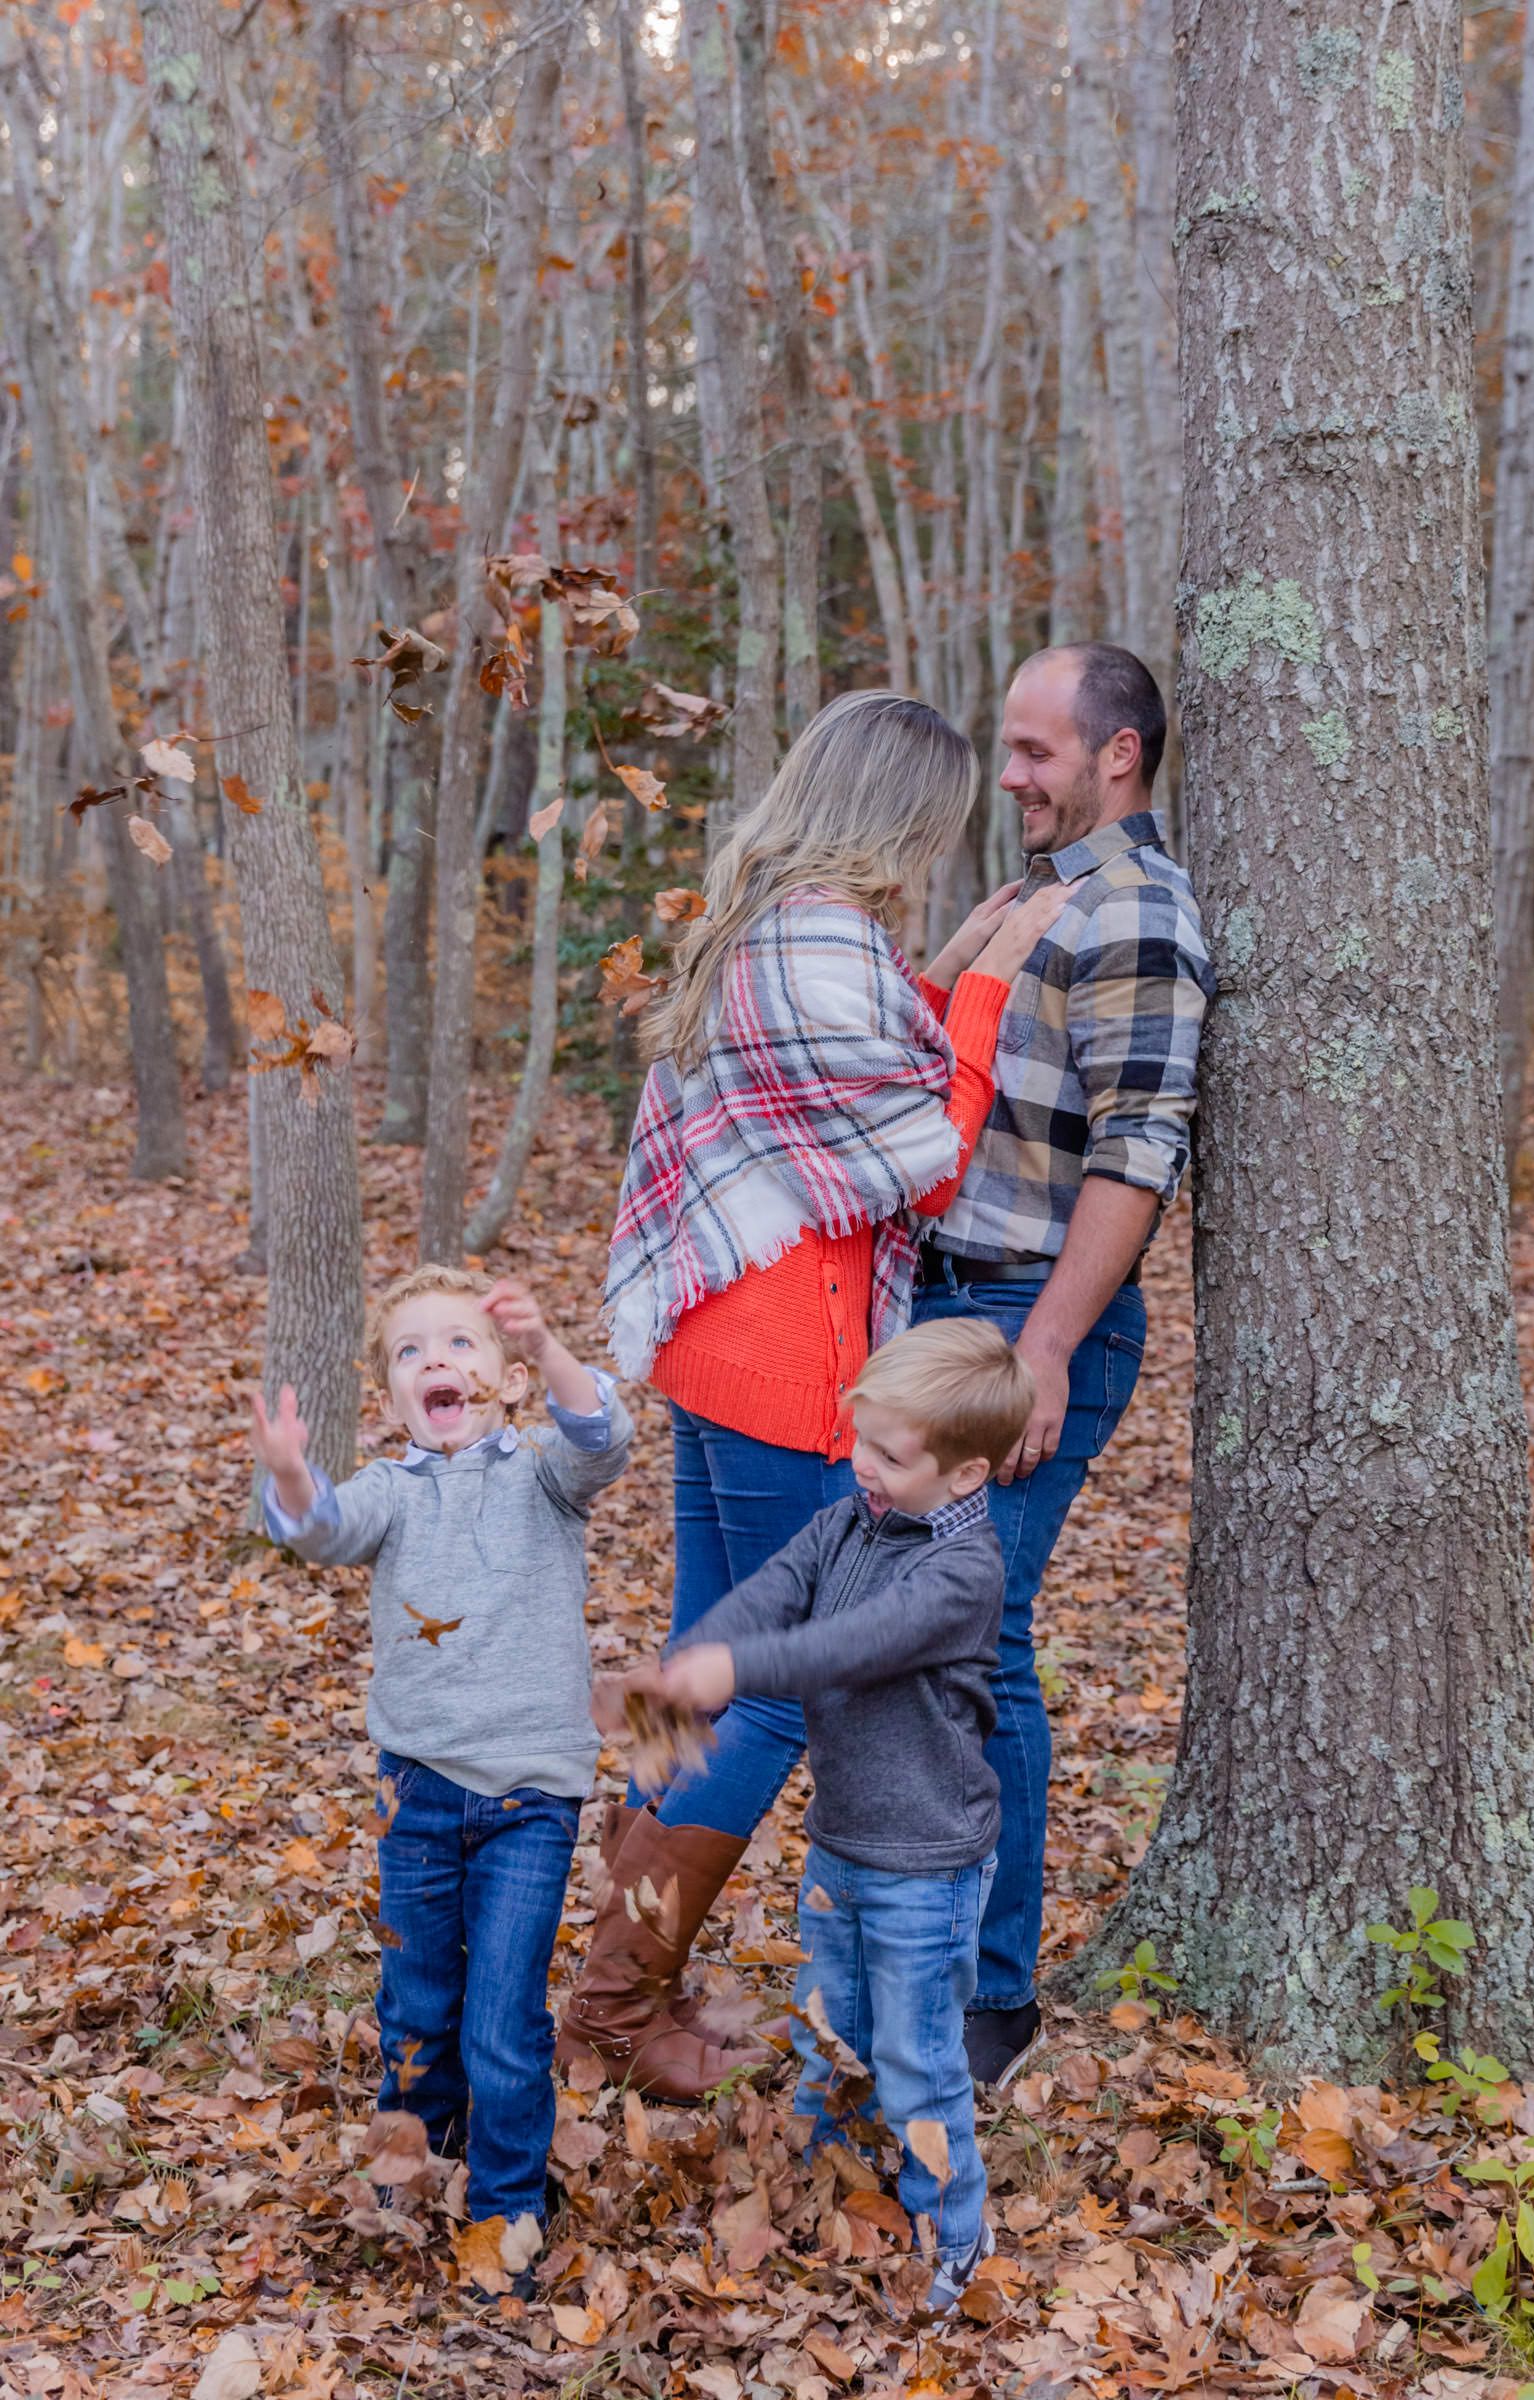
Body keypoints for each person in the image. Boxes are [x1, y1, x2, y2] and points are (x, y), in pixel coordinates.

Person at [560, 688, 1068, 2101]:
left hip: (723, 1337)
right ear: (900, 816)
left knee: (698, 1653)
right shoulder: (819, 946)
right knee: (767, 1704)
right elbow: (918, 1152)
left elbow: (844, 1068)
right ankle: (609, 2012)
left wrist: (950, 958)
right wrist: (979, 994)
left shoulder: (774, 930)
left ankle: (631, 1964)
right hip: (792, 1356)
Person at [914, 643, 1215, 2086]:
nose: (1013, 775)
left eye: (1038, 752)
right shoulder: (1039, 901)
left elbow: (1138, 1150)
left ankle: (992, 1994)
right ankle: (918, 1946)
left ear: (1121, 757)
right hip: (938, 1305)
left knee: (978, 1639)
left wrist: (1040, 1353)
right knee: (926, 1635)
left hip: (1031, 1317)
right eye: (1010, 746)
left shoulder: (1142, 912)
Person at [599, 1318, 1034, 2315]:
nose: (861, 1465)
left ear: (966, 1478)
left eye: (888, 1453)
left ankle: (952, 2226)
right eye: (859, 1440)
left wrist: (733, 1672)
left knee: (917, 2055)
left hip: (926, 1860)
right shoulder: (847, 1524)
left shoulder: (961, 1574)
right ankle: (824, 2174)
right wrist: (686, 1670)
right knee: (829, 2028)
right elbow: (773, 1594)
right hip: (843, 1842)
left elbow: (853, 1643)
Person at [249, 1266, 631, 2274]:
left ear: (504, 1380)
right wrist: (291, 1473)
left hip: (529, 1799)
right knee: (417, 2003)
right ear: (389, 1401)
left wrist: (549, 1346)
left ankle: (506, 2199)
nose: (437, 1363)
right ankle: (410, 2160)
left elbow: (604, 1439)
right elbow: (322, 1531)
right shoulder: (388, 1492)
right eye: (413, 1352)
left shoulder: (544, 1477)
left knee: (504, 2017)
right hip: (414, 1790)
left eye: (460, 1345)